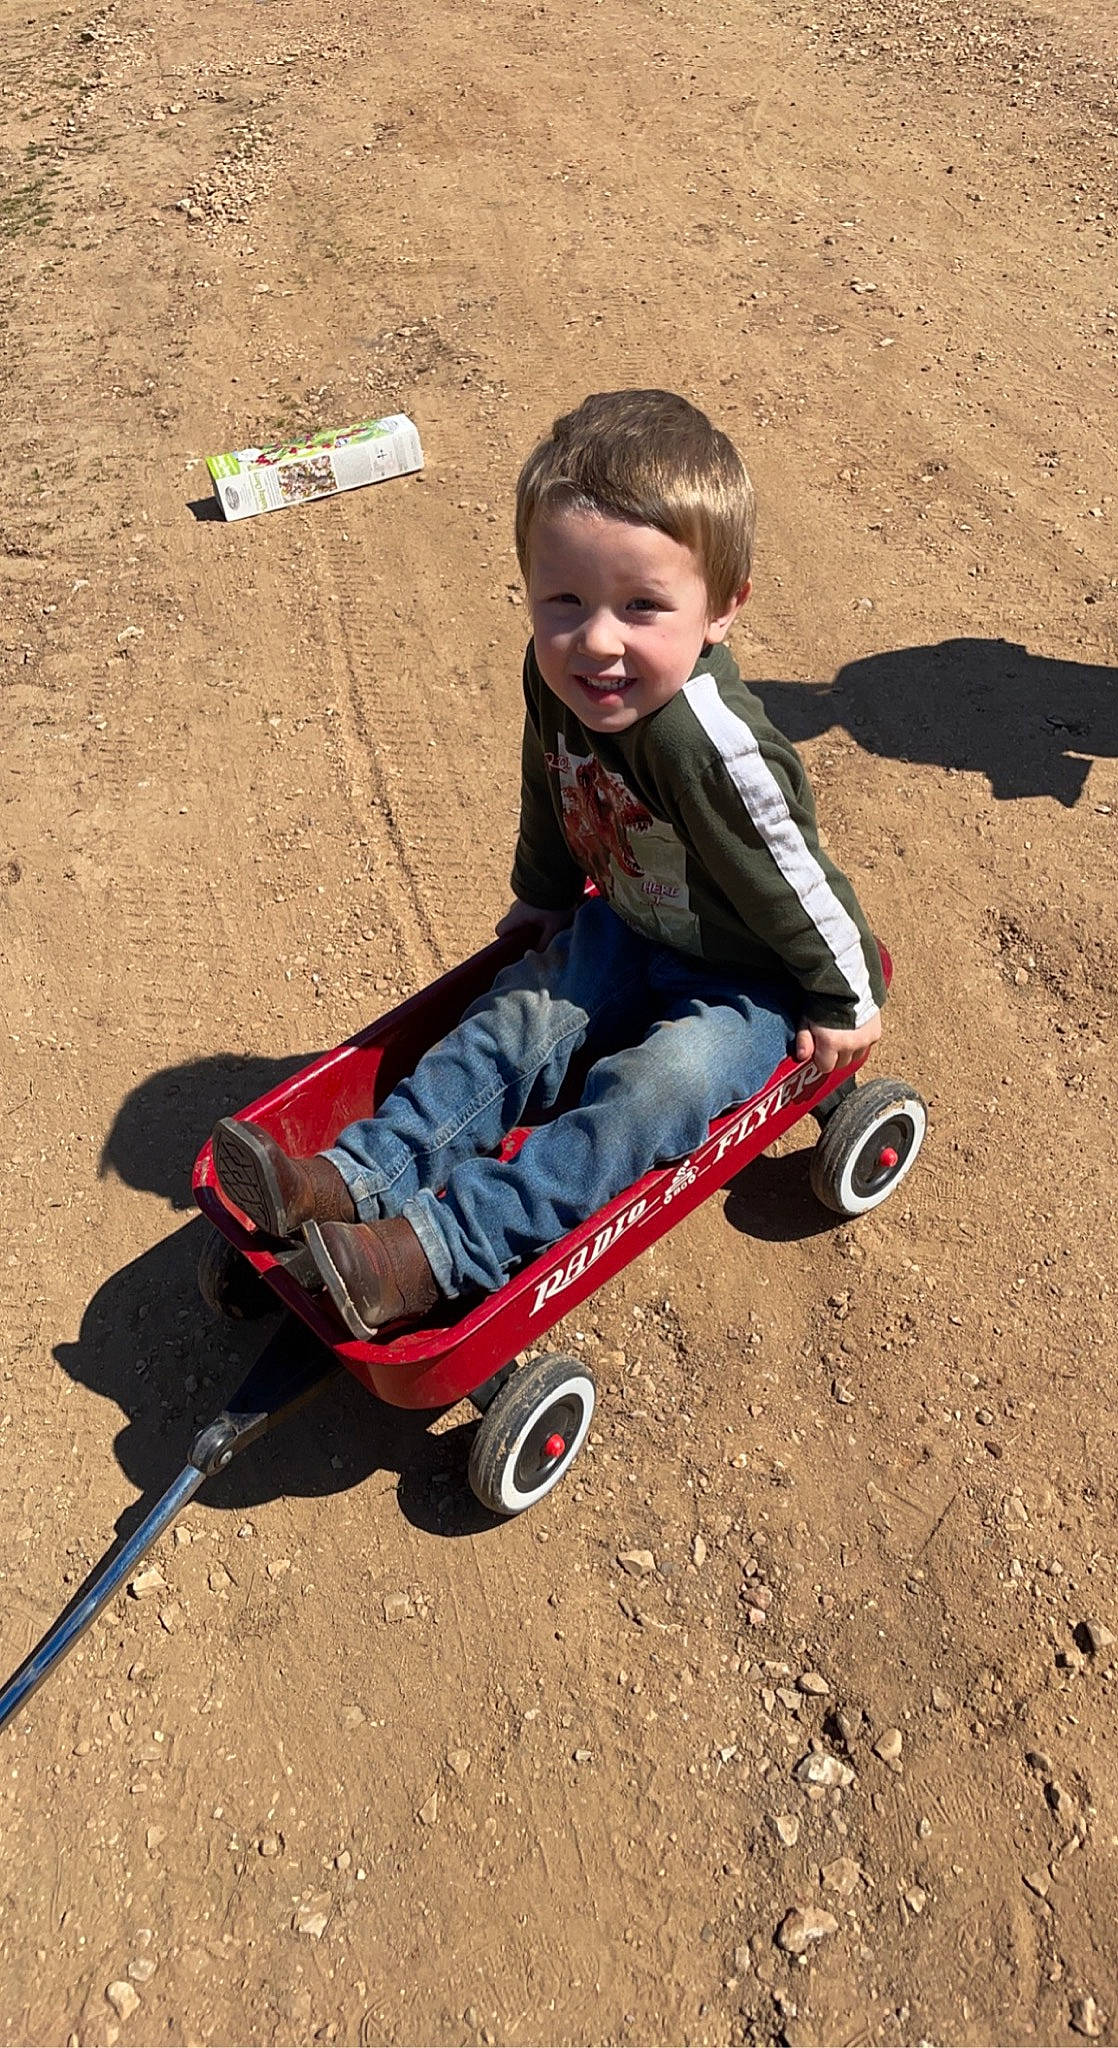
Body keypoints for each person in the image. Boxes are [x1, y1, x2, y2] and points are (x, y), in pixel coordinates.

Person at [210, 390, 885, 1338]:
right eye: (563, 600)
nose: (596, 641)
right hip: (630, 921)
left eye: (643, 606)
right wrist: (544, 893)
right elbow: (552, 783)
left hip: (750, 980)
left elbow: (795, 874)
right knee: (510, 1024)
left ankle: (435, 1252)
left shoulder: (711, 748)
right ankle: (352, 1179)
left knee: (656, 1090)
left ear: (723, 608)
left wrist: (845, 996)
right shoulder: (555, 673)